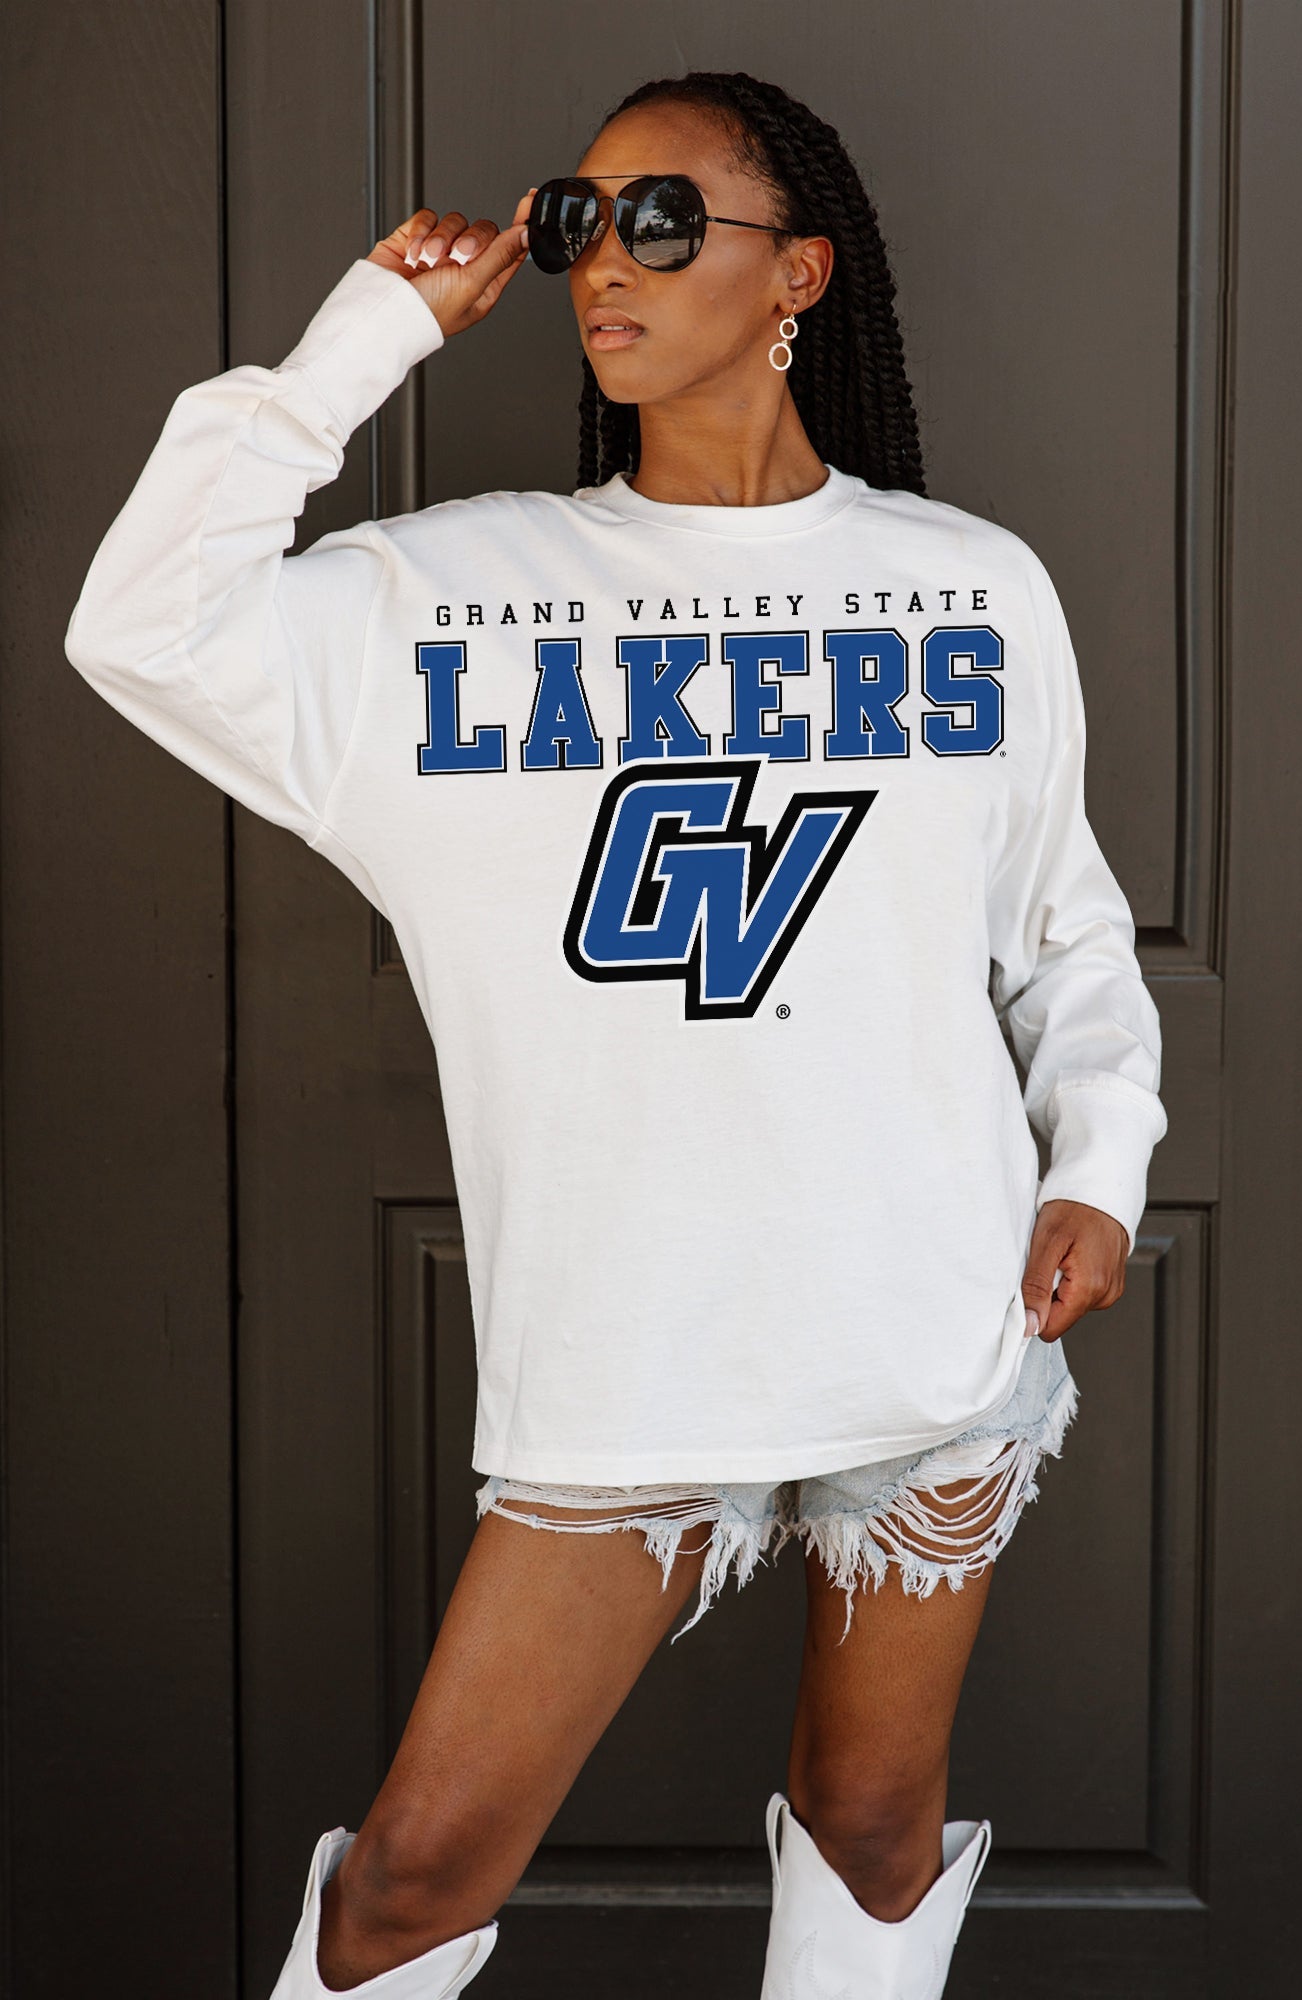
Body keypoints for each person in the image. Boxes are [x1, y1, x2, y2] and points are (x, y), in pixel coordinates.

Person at [65, 67, 1167, 2000]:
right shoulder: (446, 603)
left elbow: (1059, 925)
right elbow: (139, 624)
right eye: (575, 222)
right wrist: (369, 333)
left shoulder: (971, 584)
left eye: (660, 221)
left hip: (930, 1309)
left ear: (797, 272)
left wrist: (1099, 1160)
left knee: (875, 1827)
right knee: (410, 1880)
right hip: (633, 1341)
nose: (600, 264)